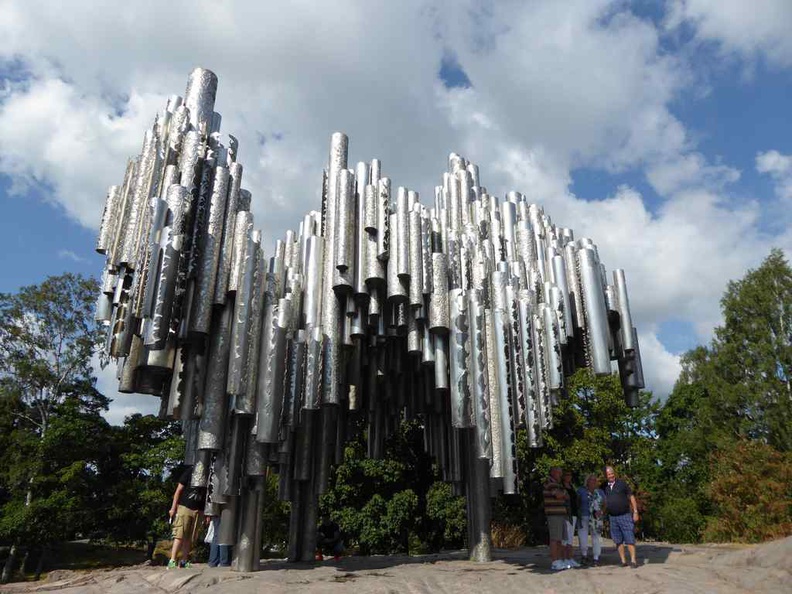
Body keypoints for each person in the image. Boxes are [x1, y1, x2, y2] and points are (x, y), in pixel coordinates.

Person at [167, 465, 207, 569]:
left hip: (199, 510)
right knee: (179, 534)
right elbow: (178, 490)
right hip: (185, 507)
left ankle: (184, 560)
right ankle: (172, 560)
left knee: (190, 537)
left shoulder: (210, 473)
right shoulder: (190, 471)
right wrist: (173, 508)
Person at [603, 465, 639, 568]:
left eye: (612, 473)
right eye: (609, 474)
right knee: (618, 540)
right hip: (612, 517)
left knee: (629, 538)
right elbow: (605, 501)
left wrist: (635, 511)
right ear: (606, 476)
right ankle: (623, 561)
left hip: (625, 515)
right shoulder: (604, 486)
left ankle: (633, 560)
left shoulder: (622, 483)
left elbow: (631, 497)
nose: (611, 476)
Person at [543, 466, 574, 570]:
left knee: (560, 539)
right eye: (558, 473)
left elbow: (566, 495)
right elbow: (559, 495)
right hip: (553, 514)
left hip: (561, 514)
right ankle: (555, 561)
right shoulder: (549, 482)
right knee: (555, 539)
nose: (560, 475)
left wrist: (564, 494)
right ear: (553, 472)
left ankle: (560, 560)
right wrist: (563, 494)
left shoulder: (557, 484)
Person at [577, 474, 605, 566]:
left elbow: (605, 503)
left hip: (597, 518)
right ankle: (584, 556)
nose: (593, 481)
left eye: (595, 480)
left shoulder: (600, 492)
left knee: (597, 538)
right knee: (583, 538)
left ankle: (596, 558)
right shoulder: (581, 491)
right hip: (584, 516)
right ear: (587, 481)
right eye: (591, 480)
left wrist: (601, 511)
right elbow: (577, 503)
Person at [561, 471, 580, 568]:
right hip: (566, 514)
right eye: (567, 475)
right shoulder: (561, 487)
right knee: (565, 538)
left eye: (570, 475)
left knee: (571, 538)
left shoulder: (572, 486)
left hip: (574, 514)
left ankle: (570, 558)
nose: (569, 477)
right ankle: (564, 559)